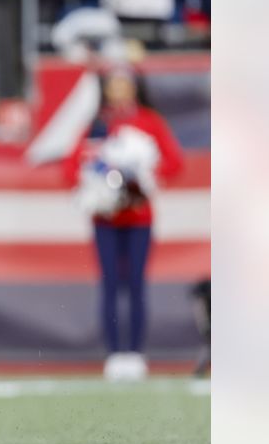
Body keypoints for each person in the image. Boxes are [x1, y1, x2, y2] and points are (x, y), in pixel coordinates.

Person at [63, 66, 184, 381]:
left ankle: (136, 352)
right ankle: (114, 353)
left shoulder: (149, 122)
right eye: (114, 85)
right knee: (110, 284)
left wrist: (144, 176)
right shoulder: (96, 124)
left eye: (124, 84)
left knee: (136, 284)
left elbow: (173, 162)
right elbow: (72, 167)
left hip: (139, 217)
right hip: (105, 218)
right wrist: (96, 183)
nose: (119, 90)